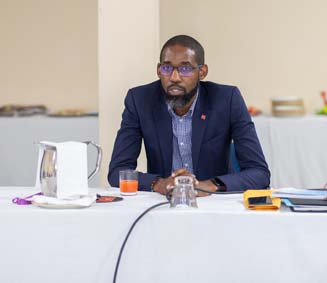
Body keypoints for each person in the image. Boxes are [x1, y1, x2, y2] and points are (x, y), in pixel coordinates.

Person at [107, 35, 270, 194]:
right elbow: (117, 171)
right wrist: (159, 184)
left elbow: (259, 173)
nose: (174, 77)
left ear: (202, 72)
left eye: (185, 69)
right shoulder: (140, 100)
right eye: (167, 68)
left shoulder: (227, 99)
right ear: (158, 71)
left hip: (214, 201)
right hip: (163, 201)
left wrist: (209, 186)